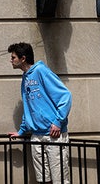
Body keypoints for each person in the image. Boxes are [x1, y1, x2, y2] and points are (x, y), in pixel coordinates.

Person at [7, 42, 72, 184]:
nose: (11, 60)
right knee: (43, 179)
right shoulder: (25, 78)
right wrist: (22, 130)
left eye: (13, 57)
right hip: (36, 136)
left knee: (59, 179)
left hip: (53, 135)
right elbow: (29, 107)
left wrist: (57, 122)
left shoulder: (41, 71)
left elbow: (65, 96)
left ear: (23, 58)